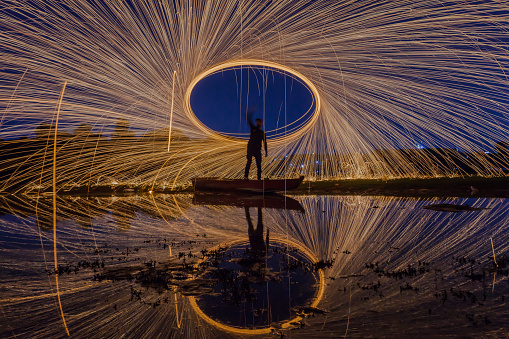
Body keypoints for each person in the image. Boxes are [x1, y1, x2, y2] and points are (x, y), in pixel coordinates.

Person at [244, 114, 267, 180]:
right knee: (249, 162)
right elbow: (249, 121)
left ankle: (259, 178)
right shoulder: (253, 128)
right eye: (257, 122)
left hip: (257, 150)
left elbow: (265, 143)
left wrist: (266, 152)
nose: (258, 123)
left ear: (261, 124)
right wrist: (249, 114)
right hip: (251, 149)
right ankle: (245, 177)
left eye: (259, 122)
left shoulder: (262, 133)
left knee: (259, 165)